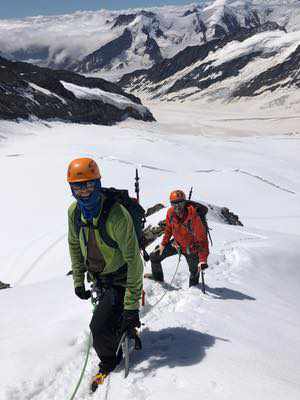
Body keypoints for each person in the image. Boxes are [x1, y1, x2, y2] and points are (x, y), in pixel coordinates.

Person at [67, 157, 143, 388]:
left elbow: (134, 262)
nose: (85, 192)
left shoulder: (117, 215)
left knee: (97, 328)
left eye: (89, 185)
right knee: (110, 316)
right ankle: (124, 331)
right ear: (71, 189)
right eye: (78, 187)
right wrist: (79, 281)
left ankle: (110, 361)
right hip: (99, 277)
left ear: (98, 184)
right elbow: (74, 245)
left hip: (120, 278)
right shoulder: (74, 213)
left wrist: (132, 307)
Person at [146, 190, 209, 287]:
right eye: (174, 204)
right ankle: (158, 279)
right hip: (177, 245)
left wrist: (202, 260)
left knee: (195, 272)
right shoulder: (170, 212)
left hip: (192, 249)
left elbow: (202, 239)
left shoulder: (193, 215)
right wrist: (163, 244)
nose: (177, 207)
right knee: (154, 256)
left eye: (180, 203)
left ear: (184, 203)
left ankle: (194, 291)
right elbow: (168, 229)